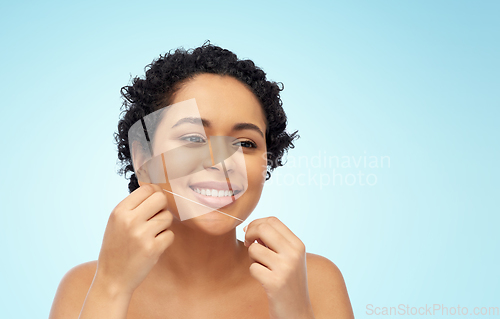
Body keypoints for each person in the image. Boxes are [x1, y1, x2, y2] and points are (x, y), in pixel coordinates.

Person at [49, 41, 354, 319]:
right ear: (143, 158)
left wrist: (294, 310)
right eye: (193, 137)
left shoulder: (314, 281)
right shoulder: (85, 287)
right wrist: (112, 288)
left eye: (246, 144)